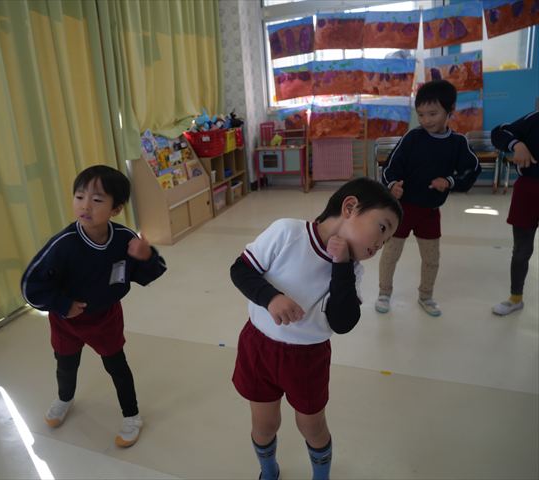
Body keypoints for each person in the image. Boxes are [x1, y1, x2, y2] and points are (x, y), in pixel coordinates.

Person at [230, 177, 402, 480]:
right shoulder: (287, 232)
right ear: (350, 207)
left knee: (312, 425)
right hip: (258, 347)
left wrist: (341, 265)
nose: (380, 244)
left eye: (386, 240)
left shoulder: (352, 270)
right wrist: (271, 298)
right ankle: (268, 472)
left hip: (308, 358)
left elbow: (343, 322)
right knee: (264, 424)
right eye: (382, 228)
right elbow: (241, 270)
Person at [21, 165, 166, 448]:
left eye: (97, 200)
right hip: (66, 320)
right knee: (66, 364)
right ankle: (64, 399)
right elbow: (30, 284)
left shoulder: (124, 239)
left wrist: (147, 256)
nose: (85, 206)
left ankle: (132, 415)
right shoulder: (63, 245)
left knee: (117, 367)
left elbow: (152, 273)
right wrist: (62, 304)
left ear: (116, 209)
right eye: (79, 197)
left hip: (105, 319)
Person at [375, 79, 482, 316]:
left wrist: (450, 181)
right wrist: (392, 185)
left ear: (450, 110)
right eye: (421, 114)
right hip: (401, 210)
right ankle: (384, 293)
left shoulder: (458, 143)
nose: (426, 120)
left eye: (433, 114)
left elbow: (472, 169)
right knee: (391, 254)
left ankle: (426, 296)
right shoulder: (412, 138)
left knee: (432, 258)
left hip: (430, 212)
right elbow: (391, 166)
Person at [490, 110, 538, 315]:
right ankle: (515, 298)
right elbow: (499, 133)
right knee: (521, 250)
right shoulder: (534, 119)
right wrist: (517, 145)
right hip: (528, 190)